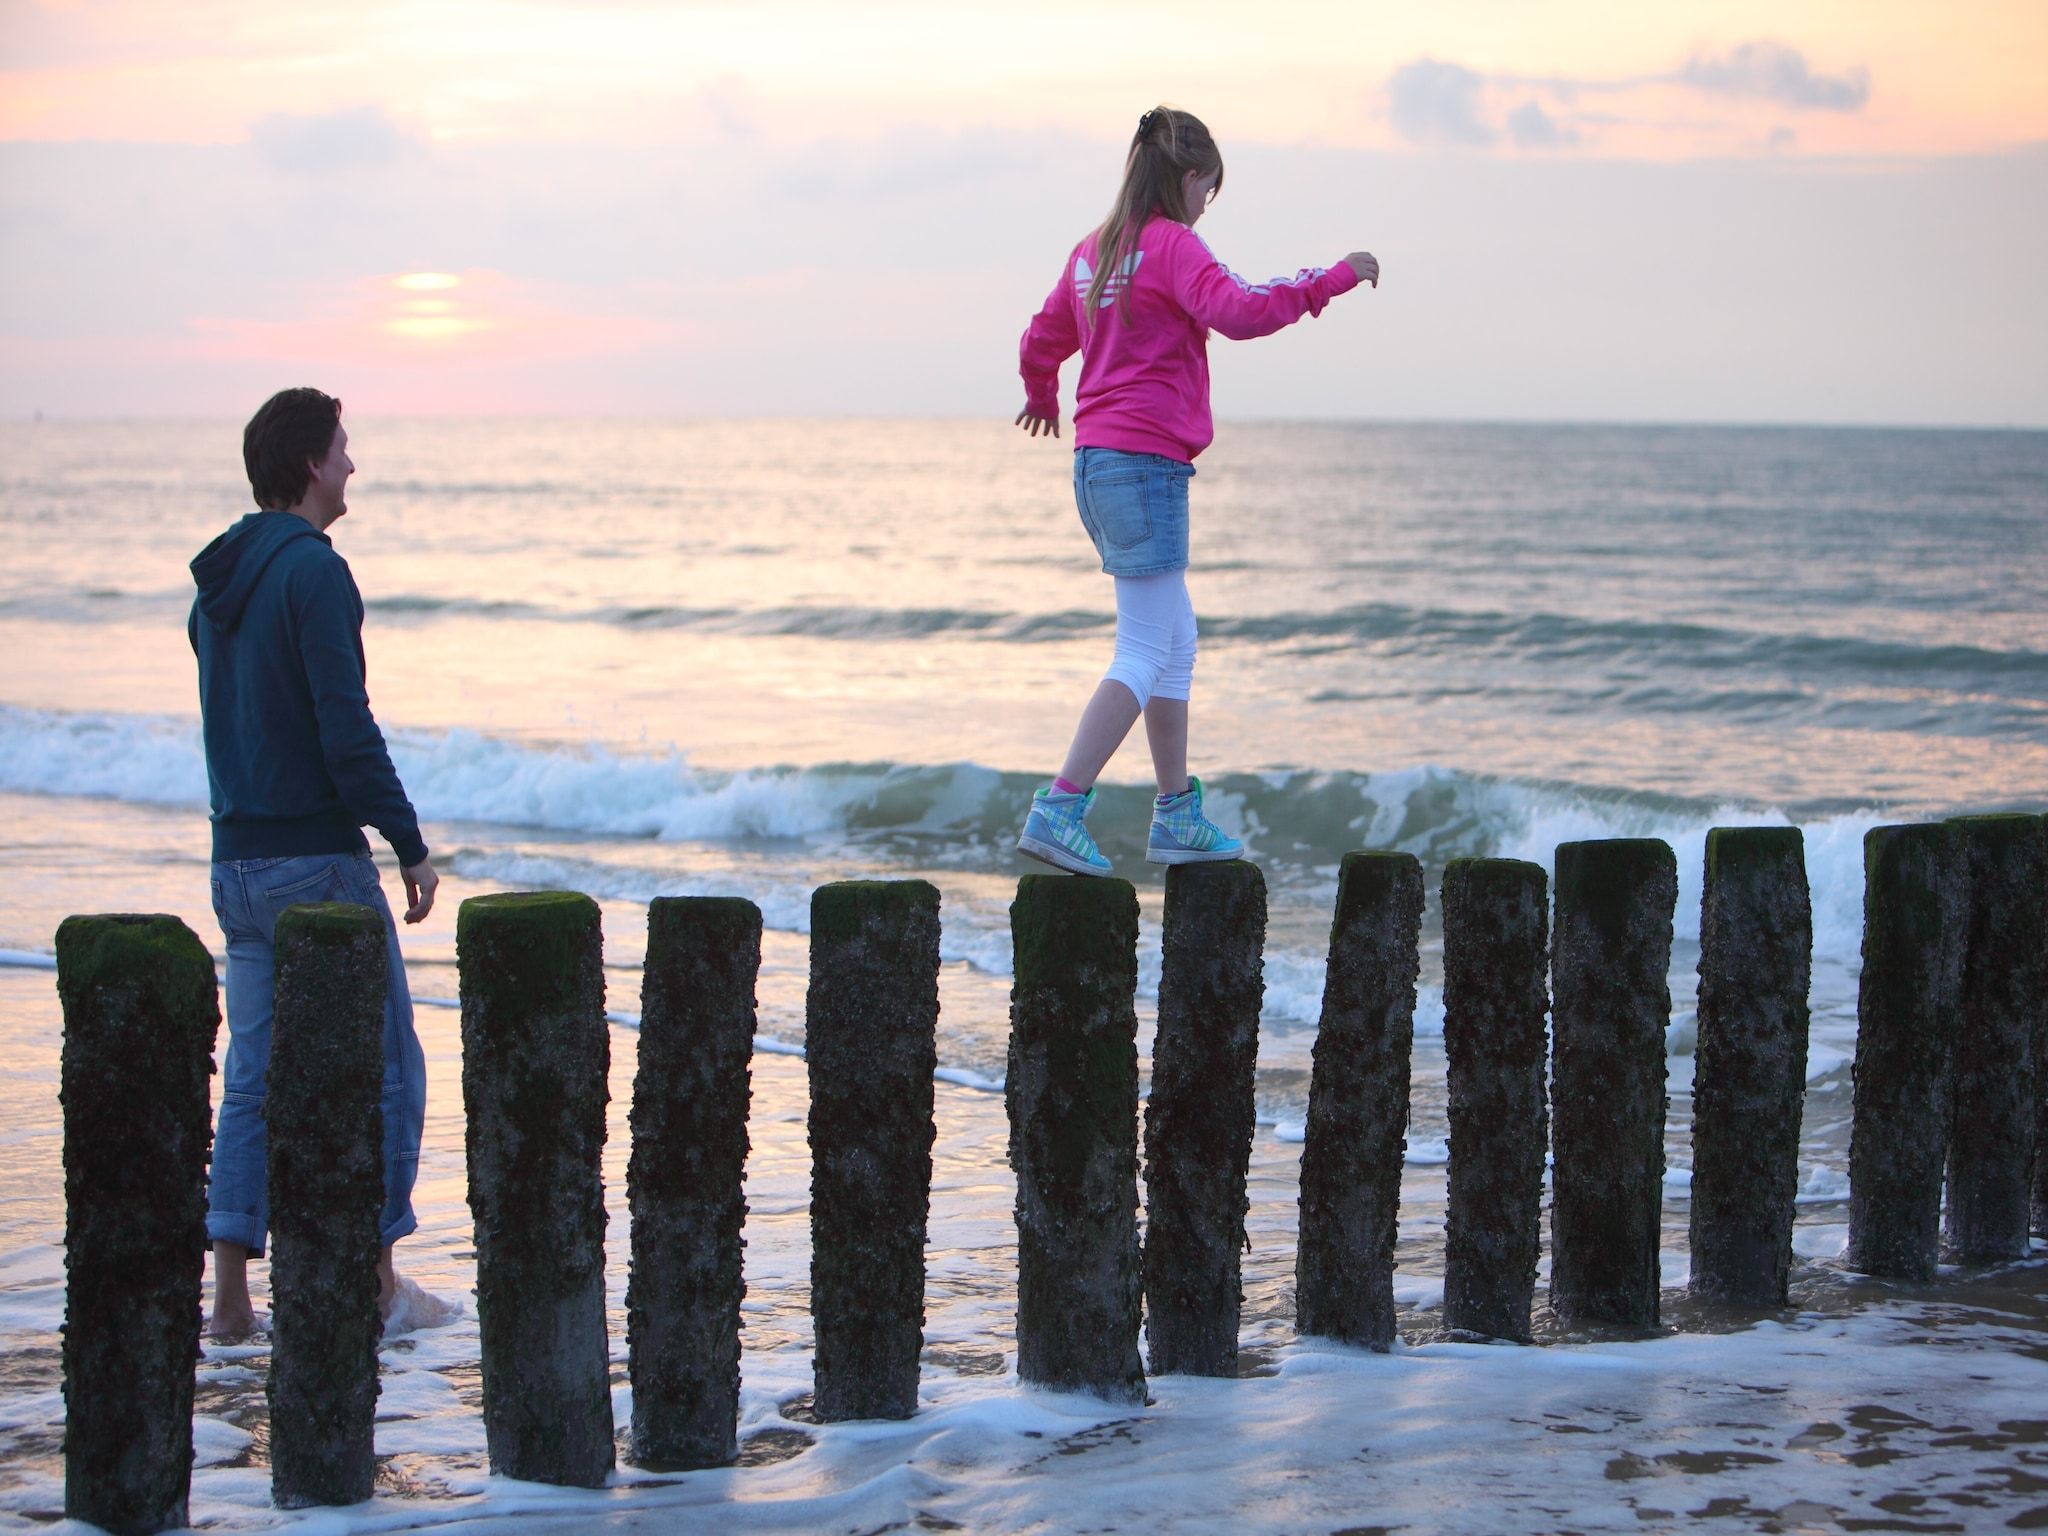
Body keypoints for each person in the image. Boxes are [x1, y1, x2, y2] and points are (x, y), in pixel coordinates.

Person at [1014, 105, 1378, 875]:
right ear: (1187, 179)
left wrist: (1042, 393)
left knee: (1175, 639)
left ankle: (1176, 813)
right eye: (1209, 190)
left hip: (1100, 464)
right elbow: (1240, 311)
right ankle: (1059, 805)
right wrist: (1332, 280)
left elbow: (1042, 335)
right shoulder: (1172, 248)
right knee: (1145, 648)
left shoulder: (1093, 253)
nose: (1207, 205)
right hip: (1143, 464)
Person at [189, 387, 438, 1336]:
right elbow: (347, 730)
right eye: (342, 447)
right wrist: (407, 843)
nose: (353, 463)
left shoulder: (221, 584)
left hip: (237, 870)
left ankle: (230, 1304)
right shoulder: (315, 574)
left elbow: (233, 725)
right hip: (315, 868)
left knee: (251, 1077)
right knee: (388, 1069)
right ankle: (376, 1286)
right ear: (307, 466)